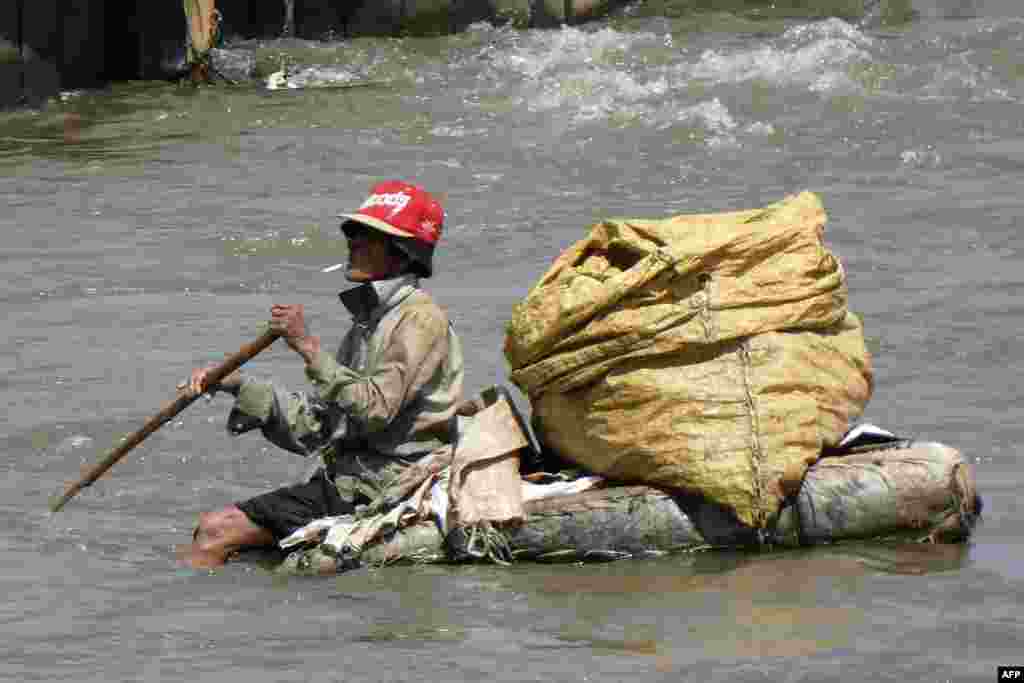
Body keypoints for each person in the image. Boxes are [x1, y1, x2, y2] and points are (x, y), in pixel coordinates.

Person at [180, 180, 464, 568]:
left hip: (385, 486)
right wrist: (237, 385)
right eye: (352, 232)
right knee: (227, 538)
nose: (353, 242)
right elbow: (317, 428)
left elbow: (375, 409)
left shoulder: (420, 320)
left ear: (401, 252)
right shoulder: (367, 325)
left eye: (366, 235)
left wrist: (308, 347)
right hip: (346, 481)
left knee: (216, 530)